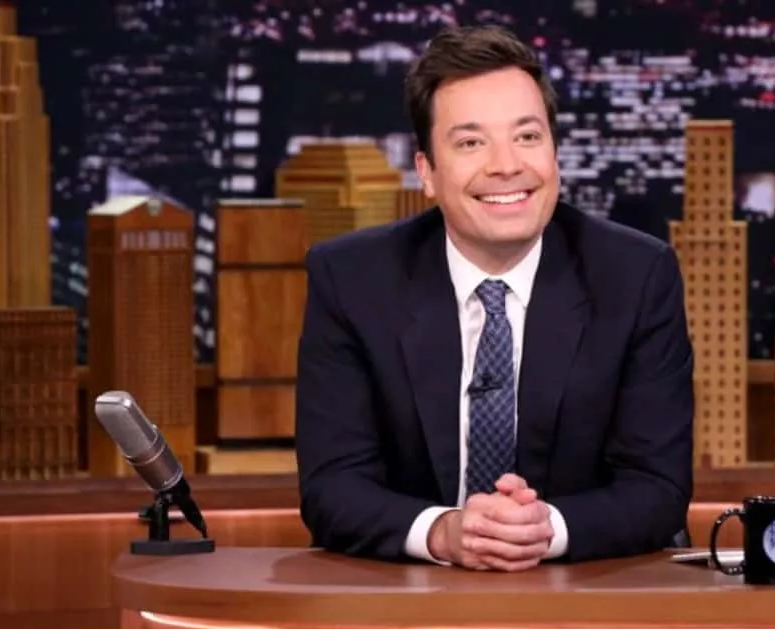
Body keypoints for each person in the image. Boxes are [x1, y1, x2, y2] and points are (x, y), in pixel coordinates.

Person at [295, 24, 693, 571]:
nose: (507, 165)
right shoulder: (353, 280)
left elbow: (657, 486)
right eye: (471, 143)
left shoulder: (636, 276)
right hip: (410, 601)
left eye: (527, 137)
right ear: (427, 172)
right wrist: (443, 532)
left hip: (589, 594)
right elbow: (333, 488)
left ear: (555, 152)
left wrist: (544, 529)